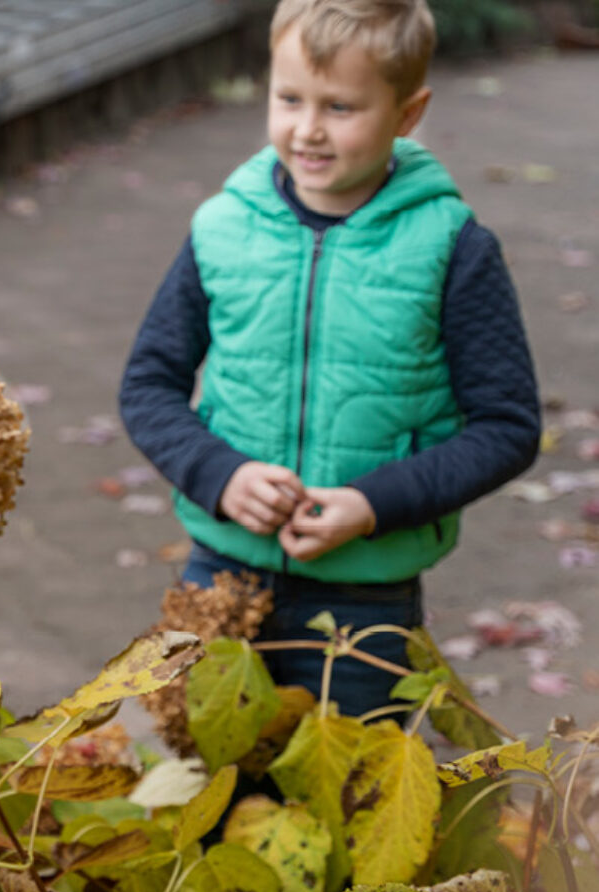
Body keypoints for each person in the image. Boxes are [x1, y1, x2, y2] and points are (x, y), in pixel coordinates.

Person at [118, 0, 540, 717]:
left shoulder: (453, 247)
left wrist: (372, 506)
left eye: (341, 106)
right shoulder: (223, 228)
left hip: (364, 602)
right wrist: (223, 477)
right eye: (289, 99)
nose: (307, 129)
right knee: (200, 793)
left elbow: (507, 427)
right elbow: (148, 387)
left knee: (349, 802)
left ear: (408, 114)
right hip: (221, 574)